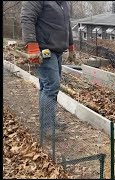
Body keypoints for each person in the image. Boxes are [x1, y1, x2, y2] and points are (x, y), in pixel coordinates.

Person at [21, 1, 76, 139]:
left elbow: (67, 24)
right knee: (52, 86)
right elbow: (27, 18)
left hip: (57, 51)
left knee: (47, 86)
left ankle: (48, 120)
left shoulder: (63, 3)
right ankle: (47, 127)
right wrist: (32, 46)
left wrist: (71, 46)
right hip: (44, 50)